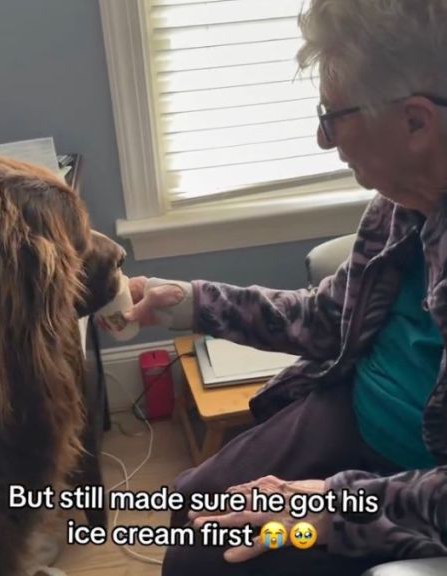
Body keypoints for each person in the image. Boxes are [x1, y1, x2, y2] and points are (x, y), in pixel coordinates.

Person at [129, 1, 447, 574]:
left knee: (204, 562)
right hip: (354, 408)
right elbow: (327, 319)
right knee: (192, 505)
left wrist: (336, 508)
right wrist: (190, 302)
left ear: (416, 123)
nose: (323, 140)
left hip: (417, 490)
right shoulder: (399, 205)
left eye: (333, 116)